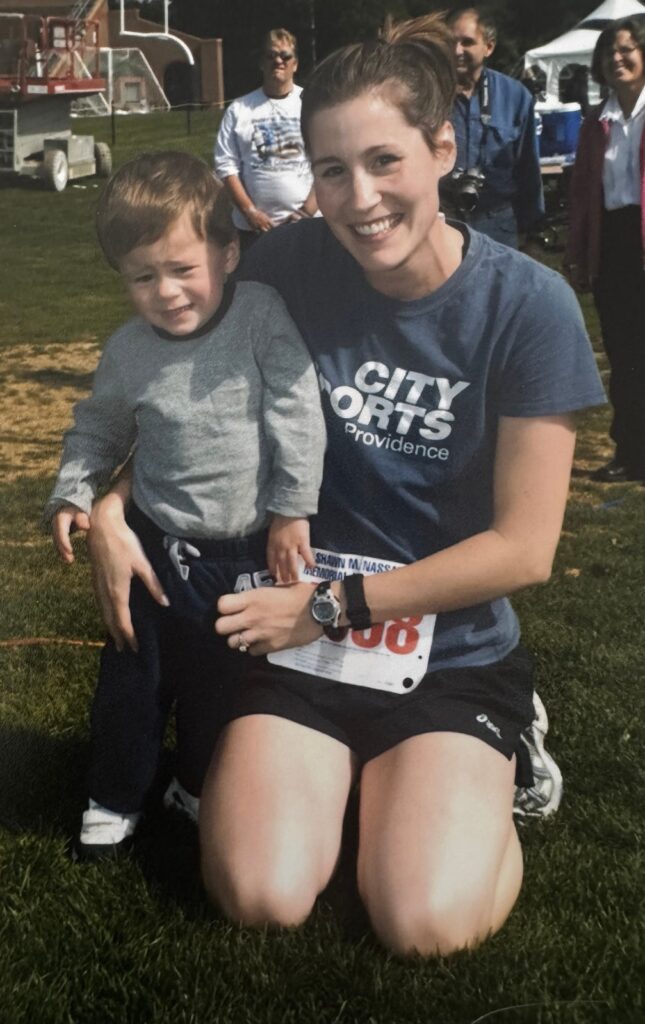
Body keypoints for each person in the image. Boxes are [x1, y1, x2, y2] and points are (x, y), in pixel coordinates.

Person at [87, 16, 605, 955]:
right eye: (331, 170)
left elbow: (524, 549)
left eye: (383, 161)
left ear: (441, 147)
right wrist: (114, 503)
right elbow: (174, 397)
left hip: (442, 650)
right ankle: (373, 786)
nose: (358, 198)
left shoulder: (528, 307)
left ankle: (502, 756)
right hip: (298, 645)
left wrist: (328, 607)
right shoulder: (284, 268)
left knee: (423, 921)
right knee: (259, 892)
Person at [44, 151, 325, 860]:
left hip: (246, 555)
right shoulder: (129, 351)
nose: (165, 292)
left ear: (228, 253)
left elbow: (297, 408)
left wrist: (292, 507)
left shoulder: (261, 316)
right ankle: (113, 796)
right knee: (133, 685)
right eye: (143, 277)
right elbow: (100, 426)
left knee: (221, 687)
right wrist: (75, 492)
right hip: (156, 549)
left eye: (182, 269)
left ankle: (195, 785)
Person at [564, 16, 645, 484]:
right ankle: (631, 451)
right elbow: (581, 193)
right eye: (608, 53)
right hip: (614, 244)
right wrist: (576, 251)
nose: (617, 58)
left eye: (628, 48)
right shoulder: (597, 121)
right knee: (625, 354)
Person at [441, 6, 544, 247]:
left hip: (498, 224)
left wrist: (530, 226)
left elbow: (528, 166)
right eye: (451, 42)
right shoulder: (428, 94)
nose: (457, 51)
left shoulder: (515, 96)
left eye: (467, 42)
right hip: (442, 221)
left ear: (489, 46)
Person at [214, 28, 318, 251]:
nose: (278, 61)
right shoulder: (239, 109)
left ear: (295, 64)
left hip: (309, 225)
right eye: (270, 56)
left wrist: (307, 211)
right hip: (254, 231)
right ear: (261, 63)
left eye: (285, 56)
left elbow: (328, 158)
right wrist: (249, 212)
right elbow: (226, 165)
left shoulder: (312, 103)